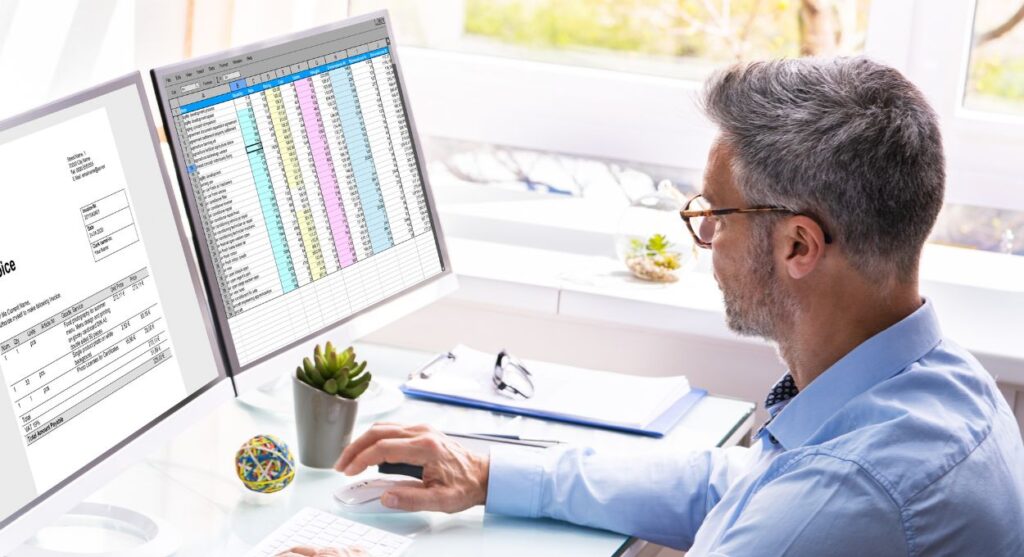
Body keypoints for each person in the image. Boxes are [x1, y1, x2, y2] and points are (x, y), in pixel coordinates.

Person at [293, 57, 1024, 556]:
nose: (704, 236)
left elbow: (790, 509)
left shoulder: (843, 502)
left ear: (799, 245)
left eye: (716, 214)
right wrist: (491, 473)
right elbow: (736, 483)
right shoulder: (939, 385)